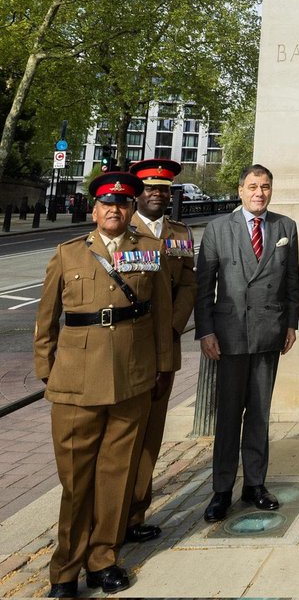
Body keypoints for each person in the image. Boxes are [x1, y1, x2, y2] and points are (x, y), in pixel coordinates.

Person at [34, 170, 174, 598]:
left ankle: (103, 558)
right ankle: (65, 569)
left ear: (131, 209)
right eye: (106, 203)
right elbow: (45, 323)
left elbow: (160, 314)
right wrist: (48, 370)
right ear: (94, 209)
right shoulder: (69, 253)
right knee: (77, 481)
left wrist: (162, 367)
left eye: (122, 203)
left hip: (130, 379)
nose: (114, 209)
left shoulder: (149, 251)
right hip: (77, 383)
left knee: (116, 475)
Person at [194, 164, 299, 522]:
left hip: (267, 333)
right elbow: (204, 285)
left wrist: (290, 324)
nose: (260, 193)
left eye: (266, 186)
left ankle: (254, 484)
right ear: (240, 190)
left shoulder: (285, 227)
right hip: (229, 336)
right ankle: (221, 489)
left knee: (258, 413)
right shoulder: (217, 229)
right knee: (228, 417)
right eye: (253, 186)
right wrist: (206, 331)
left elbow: (291, 281)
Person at [124, 158, 196, 544]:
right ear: (139, 191)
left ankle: (135, 514)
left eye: (163, 189)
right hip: (127, 350)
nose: (157, 193)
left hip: (164, 348)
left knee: (151, 436)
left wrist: (173, 326)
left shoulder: (180, 233)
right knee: (123, 438)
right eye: (151, 187)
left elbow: (188, 281)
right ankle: (110, 519)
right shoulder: (122, 228)